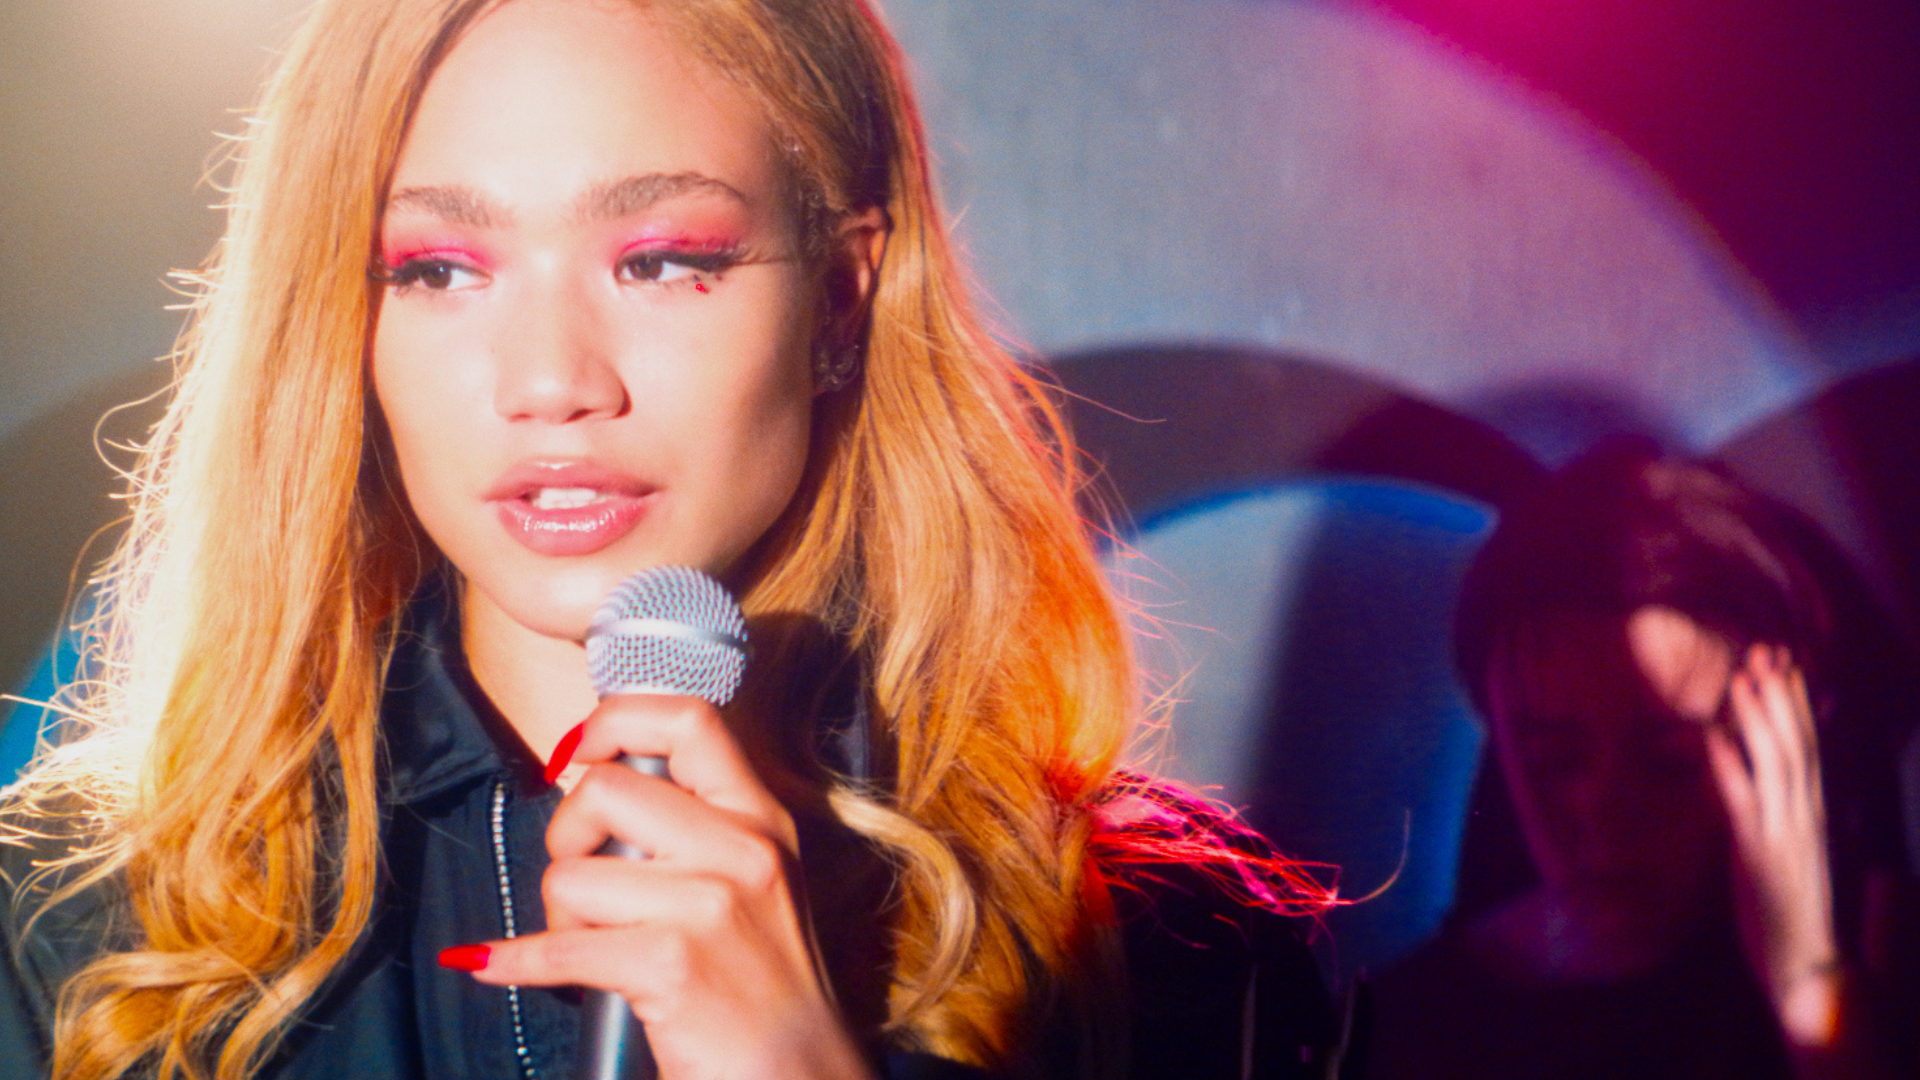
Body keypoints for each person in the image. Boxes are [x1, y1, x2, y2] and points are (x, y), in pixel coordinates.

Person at [0, 2, 1339, 1079]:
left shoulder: (1172, 960)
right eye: (439, 269)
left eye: (659, 258)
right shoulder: (64, 931)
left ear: (842, 294)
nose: (551, 380)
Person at [1366, 443, 1915, 1080]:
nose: (1602, 810)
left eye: (1671, 759)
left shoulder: (1889, 976)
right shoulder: (1408, 1028)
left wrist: (1813, 997)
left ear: (1784, 735)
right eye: (1554, 756)